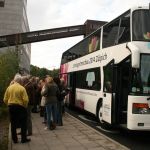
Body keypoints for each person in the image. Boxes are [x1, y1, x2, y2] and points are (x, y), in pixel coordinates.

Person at [3, 74, 31, 143]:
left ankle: (14, 139)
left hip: (11, 107)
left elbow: (5, 99)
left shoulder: (9, 88)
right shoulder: (22, 88)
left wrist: (8, 104)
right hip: (20, 107)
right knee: (23, 123)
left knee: (13, 123)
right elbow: (26, 100)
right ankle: (23, 139)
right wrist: (25, 106)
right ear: (20, 81)